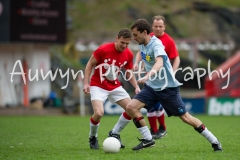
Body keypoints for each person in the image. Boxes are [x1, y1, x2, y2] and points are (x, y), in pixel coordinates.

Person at [126, 18, 222, 151]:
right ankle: (148, 139)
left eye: (135, 35)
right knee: (131, 107)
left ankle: (214, 141)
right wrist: (138, 66)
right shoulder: (142, 43)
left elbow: (159, 63)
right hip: (151, 87)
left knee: (186, 118)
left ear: (144, 32)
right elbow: (141, 55)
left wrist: (148, 75)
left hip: (167, 89)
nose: (134, 38)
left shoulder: (156, 44)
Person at [83, 28, 140, 150]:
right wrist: (85, 83)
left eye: (127, 43)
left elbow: (129, 72)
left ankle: (115, 133)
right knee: (98, 113)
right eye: (122, 43)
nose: (124, 46)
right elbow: (89, 64)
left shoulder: (129, 54)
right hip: (98, 85)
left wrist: (136, 86)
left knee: (132, 109)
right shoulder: (103, 49)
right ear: (117, 38)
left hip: (115, 86)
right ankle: (93, 136)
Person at [133, 15, 180, 139]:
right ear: (151, 27)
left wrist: (172, 74)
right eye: (156, 26)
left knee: (158, 106)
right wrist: (138, 64)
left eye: (160, 26)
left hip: (163, 80)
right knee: (150, 105)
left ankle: (162, 128)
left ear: (164, 27)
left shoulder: (167, 41)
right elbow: (142, 53)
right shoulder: (146, 37)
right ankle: (154, 131)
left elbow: (176, 58)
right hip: (151, 78)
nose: (158, 29)